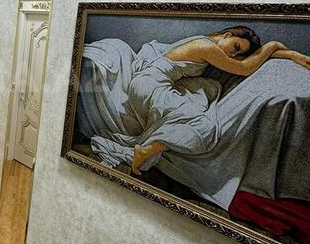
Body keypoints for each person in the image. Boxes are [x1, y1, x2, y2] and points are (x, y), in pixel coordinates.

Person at [95, 26, 310, 176]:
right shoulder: (207, 47)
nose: (233, 55)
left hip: (147, 83)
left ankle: (147, 148)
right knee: (205, 127)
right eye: (235, 46)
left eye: (238, 53)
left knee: (206, 92)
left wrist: (290, 54)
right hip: (149, 86)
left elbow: (247, 61)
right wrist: (273, 45)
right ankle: (145, 150)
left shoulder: (206, 42)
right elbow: (245, 68)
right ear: (227, 35)